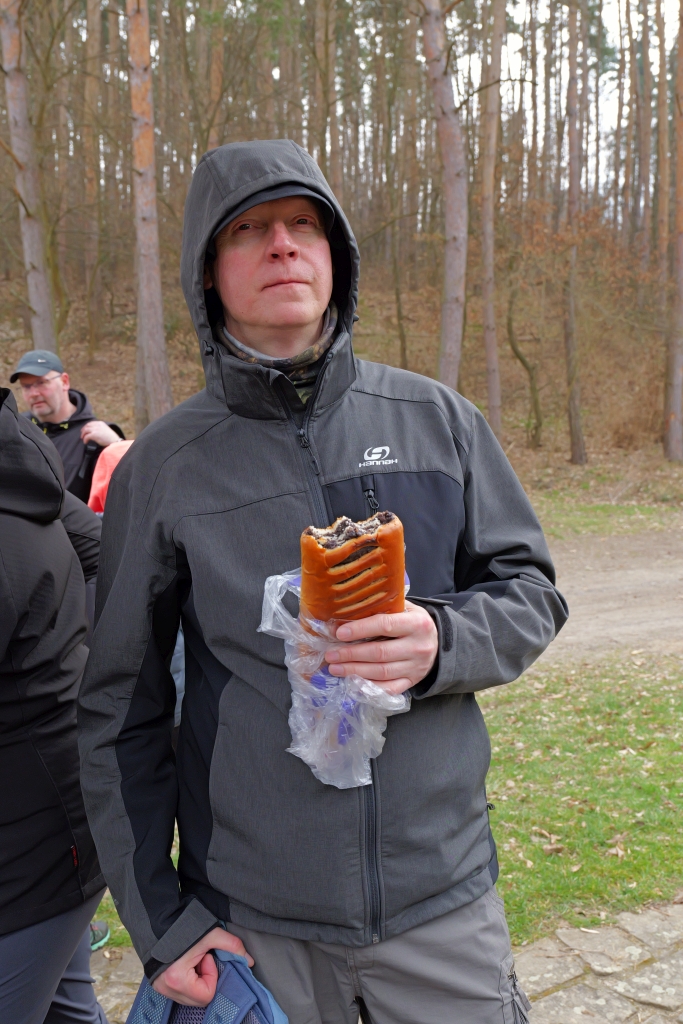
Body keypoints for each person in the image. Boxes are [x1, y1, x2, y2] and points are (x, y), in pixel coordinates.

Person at [78, 140, 568, 1024]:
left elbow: (530, 590)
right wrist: (161, 922)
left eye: (303, 224)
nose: (281, 245)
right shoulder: (165, 467)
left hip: (440, 907)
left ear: (335, 253)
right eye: (248, 229)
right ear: (207, 271)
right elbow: (120, 709)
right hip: (255, 924)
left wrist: (442, 641)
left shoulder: (436, 420)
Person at [0, 387, 108, 1023]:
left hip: (32, 848)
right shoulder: (20, 474)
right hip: (56, 816)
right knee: (68, 1006)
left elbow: (103, 552)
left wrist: (71, 649)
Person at [10, 350, 124, 503]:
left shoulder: (96, 437)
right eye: (26, 386)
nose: (34, 393)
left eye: (41, 383)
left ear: (64, 382)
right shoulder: (14, 429)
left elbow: (128, 491)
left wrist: (117, 445)